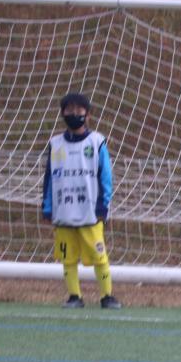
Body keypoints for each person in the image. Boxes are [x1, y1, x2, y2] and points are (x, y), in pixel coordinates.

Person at [41, 92, 122, 310]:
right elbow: (49, 178)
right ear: (63, 113)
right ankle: (74, 296)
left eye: (79, 110)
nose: (74, 114)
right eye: (69, 110)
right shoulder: (55, 144)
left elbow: (106, 177)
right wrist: (47, 207)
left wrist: (103, 206)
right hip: (63, 213)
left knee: (99, 256)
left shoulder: (97, 142)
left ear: (88, 115)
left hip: (90, 213)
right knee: (67, 258)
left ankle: (107, 296)